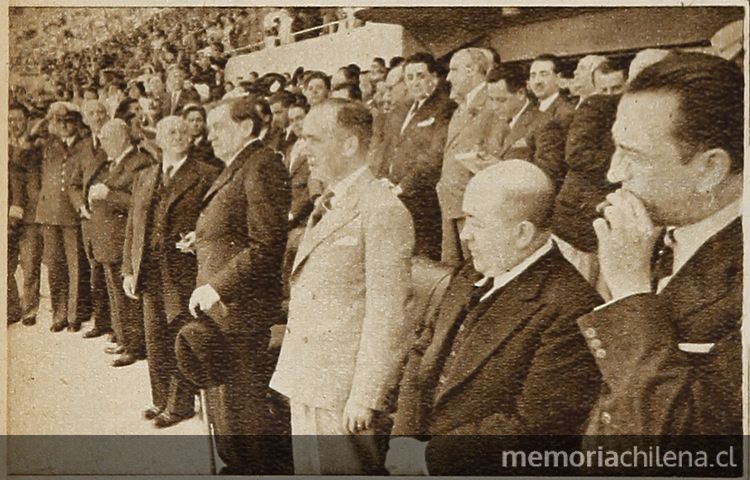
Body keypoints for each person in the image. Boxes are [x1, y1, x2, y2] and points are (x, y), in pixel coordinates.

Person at [387, 161, 602, 476]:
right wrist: (402, 440)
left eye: (476, 222)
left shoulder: (573, 308)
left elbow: (533, 431)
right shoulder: (473, 270)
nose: (465, 236)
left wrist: (427, 458)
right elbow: (421, 354)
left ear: (522, 234)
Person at [578, 52, 742, 435]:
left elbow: (686, 444)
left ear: (710, 169)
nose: (613, 172)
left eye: (633, 156)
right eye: (616, 148)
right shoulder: (664, 228)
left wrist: (630, 295)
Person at [270, 99, 415, 475]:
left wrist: (366, 395)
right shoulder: (330, 200)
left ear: (349, 144)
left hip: (342, 388)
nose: (305, 150)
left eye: (315, 140)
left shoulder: (381, 209)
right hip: (308, 376)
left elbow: (388, 313)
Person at [186, 95, 292, 474]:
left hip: (241, 308)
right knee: (229, 405)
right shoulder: (239, 164)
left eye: (218, 127)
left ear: (245, 127)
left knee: (243, 408)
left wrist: (217, 286)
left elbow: (266, 244)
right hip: (226, 307)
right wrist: (201, 239)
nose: (209, 135)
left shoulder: (262, 164)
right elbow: (233, 228)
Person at [123, 116, 220, 428]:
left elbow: (215, 221)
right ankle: (160, 399)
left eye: (182, 131)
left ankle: (179, 405)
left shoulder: (206, 174)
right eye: (171, 132)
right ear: (159, 140)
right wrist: (128, 268)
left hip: (184, 271)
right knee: (155, 339)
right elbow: (133, 227)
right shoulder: (145, 176)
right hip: (150, 271)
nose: (179, 135)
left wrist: (200, 241)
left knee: (180, 335)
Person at [380, 52, 456, 260]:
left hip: (421, 200)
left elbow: (434, 157)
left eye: (420, 76)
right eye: (410, 77)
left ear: (435, 77)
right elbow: (387, 149)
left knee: (421, 260)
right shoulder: (401, 109)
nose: (415, 83)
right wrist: (382, 181)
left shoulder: (445, 108)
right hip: (393, 195)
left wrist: (402, 187)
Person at [90, 119, 152, 367]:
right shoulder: (114, 163)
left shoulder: (139, 163)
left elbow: (141, 203)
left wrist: (109, 195)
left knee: (128, 298)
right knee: (116, 295)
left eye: (105, 138)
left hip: (121, 240)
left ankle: (135, 345)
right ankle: (124, 337)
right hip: (108, 240)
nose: (102, 144)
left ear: (120, 138)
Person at [435, 48, 495, 266]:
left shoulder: (490, 105)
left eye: (454, 70)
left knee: (475, 268)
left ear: (471, 71)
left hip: (470, 205)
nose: (449, 77)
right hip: (452, 202)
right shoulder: (461, 107)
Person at [35, 101, 91, 332]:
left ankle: (74, 314)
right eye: (61, 122)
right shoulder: (49, 144)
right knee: (55, 265)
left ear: (78, 124)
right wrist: (51, 113)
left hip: (71, 214)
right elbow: (30, 137)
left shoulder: (86, 146)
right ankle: (58, 312)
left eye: (70, 121)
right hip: (48, 213)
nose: (65, 126)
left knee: (75, 265)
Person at [70, 100, 113, 339]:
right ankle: (101, 321)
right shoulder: (83, 147)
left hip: (110, 217)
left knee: (111, 273)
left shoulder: (117, 140)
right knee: (94, 271)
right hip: (89, 218)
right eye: (92, 113)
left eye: (100, 112)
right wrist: (80, 205)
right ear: (85, 119)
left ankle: (117, 326)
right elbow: (74, 183)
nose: (97, 116)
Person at [8, 101, 44, 326]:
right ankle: (11, 307)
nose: (14, 124)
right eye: (10, 120)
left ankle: (29, 309)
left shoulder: (36, 148)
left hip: (30, 215)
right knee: (7, 265)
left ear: (27, 121)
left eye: (19, 120)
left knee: (30, 264)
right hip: (7, 213)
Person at [527, 54, 575, 126]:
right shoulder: (531, 112)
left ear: (558, 78)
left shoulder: (564, 111)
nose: (537, 81)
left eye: (543, 74)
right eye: (533, 75)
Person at [182, 104, 223, 168]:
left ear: (204, 122)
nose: (195, 124)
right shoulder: (181, 143)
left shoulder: (211, 143)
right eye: (191, 120)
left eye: (199, 120)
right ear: (184, 122)